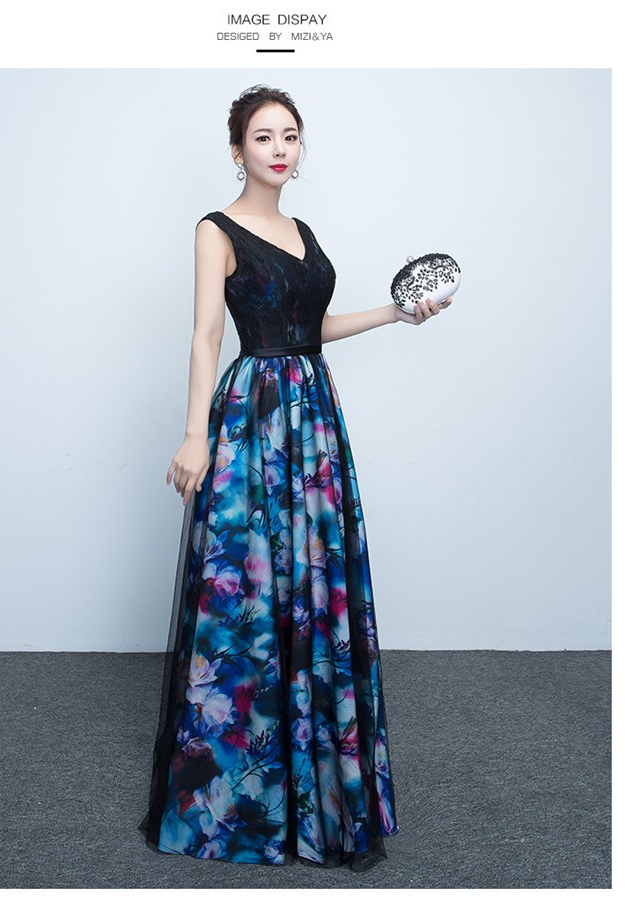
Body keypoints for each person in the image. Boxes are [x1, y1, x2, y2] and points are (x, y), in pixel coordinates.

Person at [138, 84, 452, 871]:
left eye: (290, 136)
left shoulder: (303, 231)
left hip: (313, 418)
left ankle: (315, 780)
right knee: (249, 591)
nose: (279, 148)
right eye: (263, 136)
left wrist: (394, 314)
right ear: (237, 149)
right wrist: (194, 434)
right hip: (255, 418)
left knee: (311, 583)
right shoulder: (216, 229)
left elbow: (311, 329)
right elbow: (206, 334)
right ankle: (243, 797)